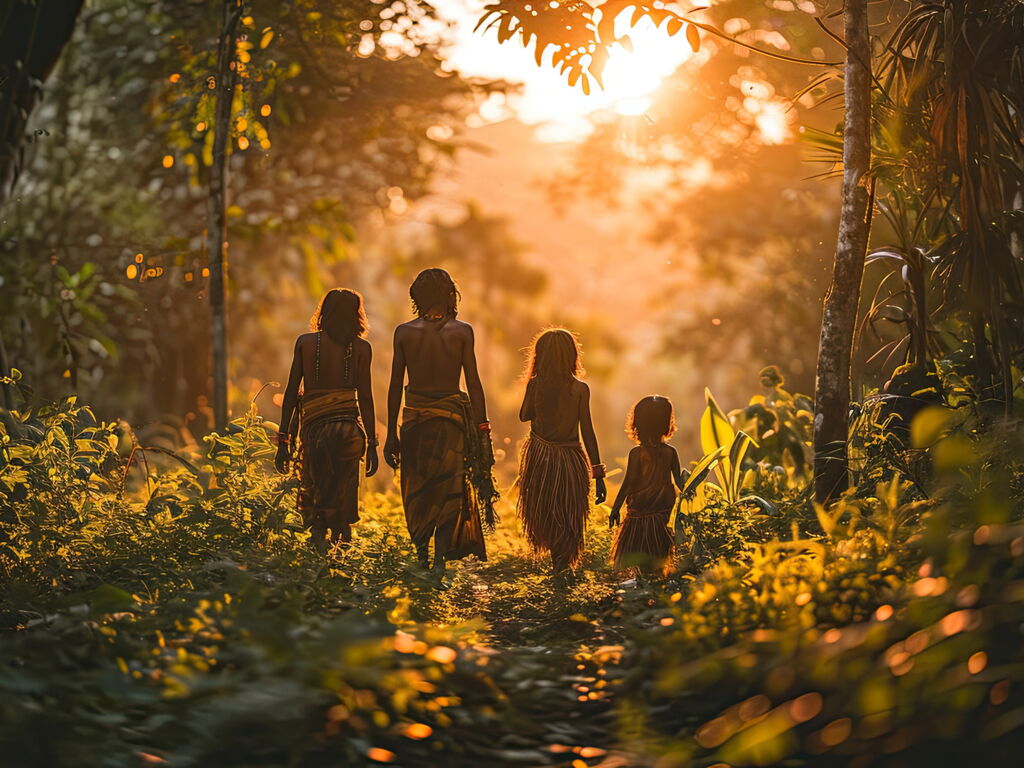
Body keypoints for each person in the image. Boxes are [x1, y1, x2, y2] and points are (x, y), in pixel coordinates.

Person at [383, 268, 498, 579]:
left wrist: (391, 433)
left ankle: (423, 556)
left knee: (417, 489)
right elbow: (473, 383)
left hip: (414, 422)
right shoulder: (461, 332)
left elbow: (396, 385)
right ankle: (439, 562)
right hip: (450, 424)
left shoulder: (404, 333)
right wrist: (482, 428)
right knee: (449, 487)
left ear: (416, 298)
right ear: (450, 296)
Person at [275, 289, 378, 550]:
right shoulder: (362, 348)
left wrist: (283, 440)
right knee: (343, 496)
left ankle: (318, 551)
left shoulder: (305, 343)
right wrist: (373, 445)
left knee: (317, 491)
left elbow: (290, 393)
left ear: (324, 313)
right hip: (349, 434)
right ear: (357, 315)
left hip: (314, 432)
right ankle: (341, 551)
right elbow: (365, 398)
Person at [516, 328, 607, 575]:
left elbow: (524, 415)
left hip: (541, 459)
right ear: (571, 356)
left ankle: (559, 568)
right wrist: (597, 472)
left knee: (546, 512)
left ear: (540, 356)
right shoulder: (580, 389)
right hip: (569, 459)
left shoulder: (535, 386)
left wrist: (535, 387)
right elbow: (587, 432)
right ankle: (562, 567)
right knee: (567, 514)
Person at [609, 395, 684, 576]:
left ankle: (642, 585)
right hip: (661, 511)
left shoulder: (637, 453)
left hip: (639, 512)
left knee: (636, 551)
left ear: (638, 424)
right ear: (667, 423)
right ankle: (655, 582)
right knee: (658, 550)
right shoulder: (670, 452)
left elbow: (628, 484)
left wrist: (615, 509)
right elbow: (680, 483)